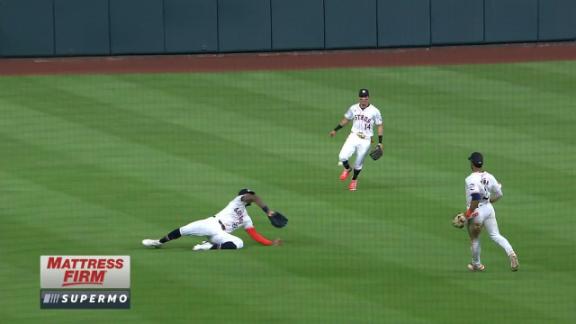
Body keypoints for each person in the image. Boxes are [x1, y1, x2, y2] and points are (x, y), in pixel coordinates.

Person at [142, 189, 282, 251]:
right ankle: (158, 242)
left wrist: (270, 243)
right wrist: (268, 211)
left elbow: (254, 234)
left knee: (239, 243)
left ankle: (208, 246)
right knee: (183, 230)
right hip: (211, 224)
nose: (248, 196)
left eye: (248, 194)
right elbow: (254, 198)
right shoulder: (237, 201)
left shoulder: (246, 218)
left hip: (220, 235)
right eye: (246, 194)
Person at [463, 152, 519, 271]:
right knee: (495, 235)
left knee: (474, 238)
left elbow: (476, 198)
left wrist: (468, 214)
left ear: (472, 163)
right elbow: (499, 194)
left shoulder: (470, 179)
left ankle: (476, 264)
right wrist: (489, 201)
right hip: (488, 209)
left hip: (476, 211)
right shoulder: (489, 176)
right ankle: (511, 253)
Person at [329, 89, 383, 191]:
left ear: (368, 98)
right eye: (362, 98)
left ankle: (354, 180)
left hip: (366, 140)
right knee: (342, 156)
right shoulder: (353, 108)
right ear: (359, 98)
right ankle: (347, 168)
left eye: (366, 98)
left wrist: (380, 142)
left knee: (358, 163)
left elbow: (379, 125)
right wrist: (335, 130)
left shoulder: (375, 111)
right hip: (353, 136)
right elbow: (346, 120)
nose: (364, 100)